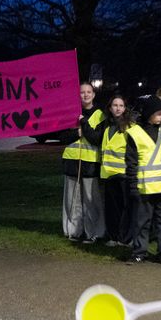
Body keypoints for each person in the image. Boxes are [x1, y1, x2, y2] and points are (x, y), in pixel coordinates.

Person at [125, 95, 161, 265]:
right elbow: (131, 163)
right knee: (141, 222)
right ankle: (139, 252)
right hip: (144, 187)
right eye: (159, 114)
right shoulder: (134, 133)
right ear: (149, 113)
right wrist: (133, 186)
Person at [82, 93, 135, 246]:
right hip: (108, 174)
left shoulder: (130, 126)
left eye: (121, 106)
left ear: (125, 108)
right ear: (110, 108)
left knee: (126, 209)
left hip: (124, 174)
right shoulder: (106, 125)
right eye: (115, 105)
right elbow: (96, 140)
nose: (118, 108)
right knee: (112, 208)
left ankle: (126, 238)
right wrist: (84, 124)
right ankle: (114, 237)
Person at [60, 82, 106, 243]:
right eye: (82, 92)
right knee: (72, 201)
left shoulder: (100, 115)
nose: (85, 95)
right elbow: (63, 137)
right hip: (72, 161)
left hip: (91, 163)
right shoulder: (70, 112)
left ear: (93, 94)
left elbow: (96, 139)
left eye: (88, 92)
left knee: (91, 201)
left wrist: (84, 127)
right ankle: (73, 231)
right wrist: (77, 133)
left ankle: (94, 232)